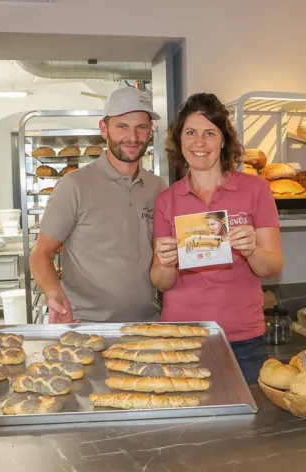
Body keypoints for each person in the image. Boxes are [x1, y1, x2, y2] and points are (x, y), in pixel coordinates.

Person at [151, 93, 283, 384]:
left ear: (223, 140)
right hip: (180, 338)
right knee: (186, 427)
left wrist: (253, 251)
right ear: (179, 141)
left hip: (243, 341)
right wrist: (166, 262)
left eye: (210, 133)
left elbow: (272, 267)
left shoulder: (256, 189)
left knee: (247, 428)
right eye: (191, 133)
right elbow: (160, 281)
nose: (200, 142)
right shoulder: (166, 200)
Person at [32, 87, 167, 323]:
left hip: (147, 323)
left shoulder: (158, 188)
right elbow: (41, 253)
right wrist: (55, 294)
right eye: (122, 126)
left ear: (150, 131)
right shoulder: (74, 185)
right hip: (86, 325)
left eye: (141, 127)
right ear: (104, 129)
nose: (133, 137)